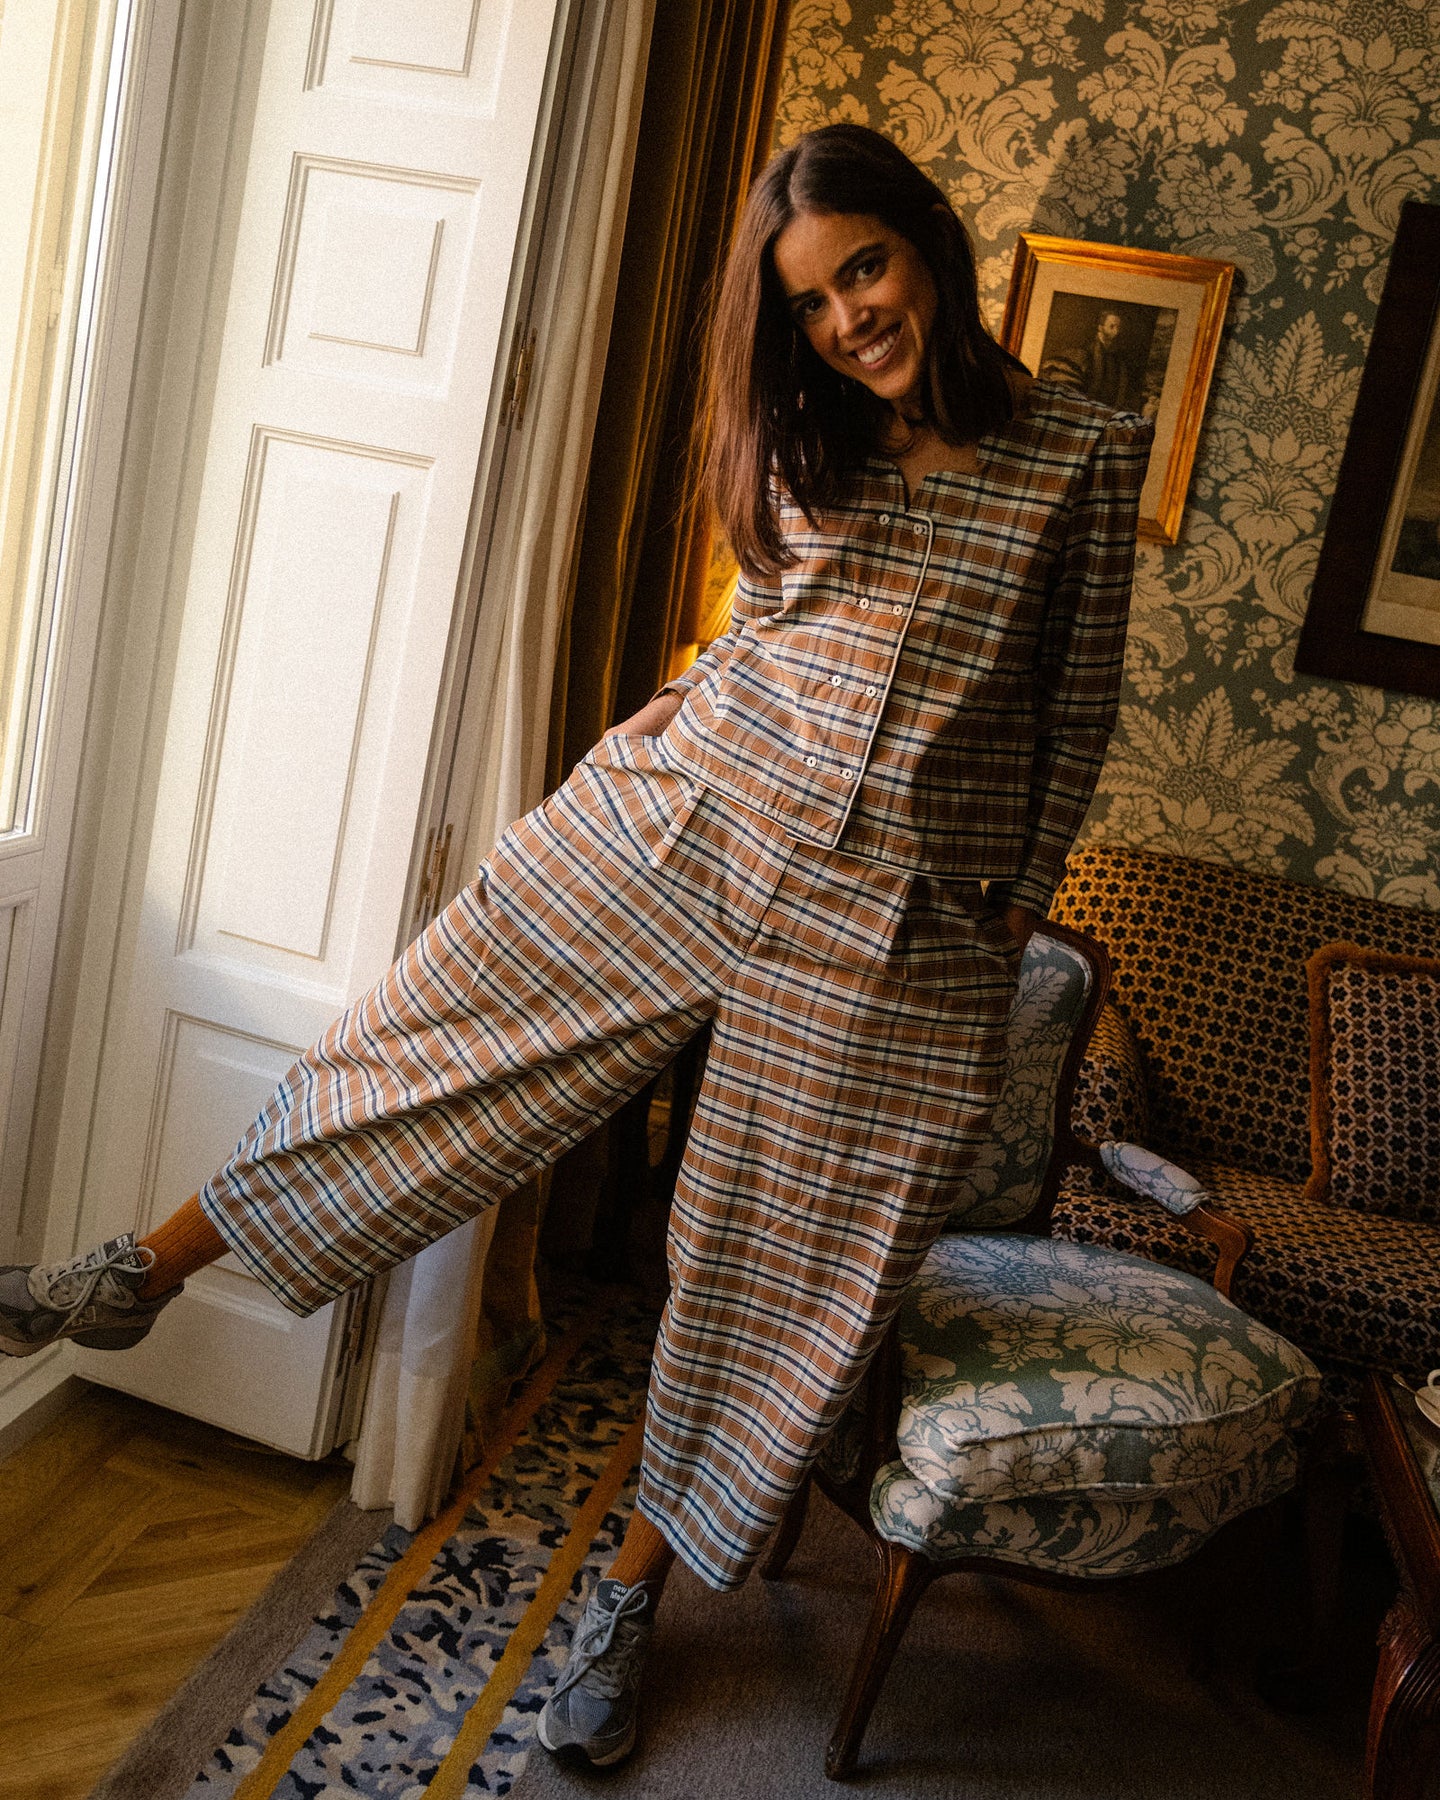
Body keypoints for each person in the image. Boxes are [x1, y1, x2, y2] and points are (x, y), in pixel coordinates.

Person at [0, 125, 1149, 1769]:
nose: (848, 321)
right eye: (811, 302)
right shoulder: (806, 428)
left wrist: (1003, 914)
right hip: (693, 818)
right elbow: (756, 626)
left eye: (866, 269)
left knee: (767, 1274)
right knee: (440, 1025)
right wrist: (660, 718)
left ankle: (624, 1603)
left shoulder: (1078, 451)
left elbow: (1074, 712)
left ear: (926, 244)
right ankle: (134, 1276)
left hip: (900, 925)